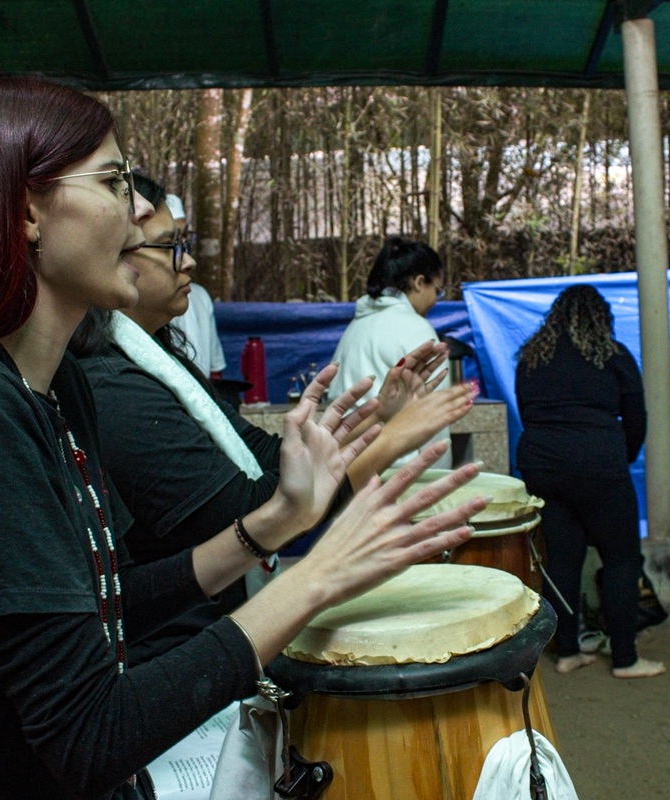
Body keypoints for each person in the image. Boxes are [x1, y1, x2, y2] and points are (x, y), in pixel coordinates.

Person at [0, 75, 485, 799]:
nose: (137, 210)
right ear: (25, 211)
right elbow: (90, 734)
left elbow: (101, 598)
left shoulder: (57, 385)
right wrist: (316, 580)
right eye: (113, 181)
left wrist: (273, 523)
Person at [71, 172, 475, 656]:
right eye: (170, 246)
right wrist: (390, 439)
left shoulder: (161, 358)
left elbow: (261, 456)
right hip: (176, 648)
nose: (190, 261)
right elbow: (247, 513)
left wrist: (379, 416)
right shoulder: (110, 385)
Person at [515, 284, 664, 679]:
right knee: (620, 559)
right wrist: (621, 456)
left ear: (556, 316)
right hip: (600, 468)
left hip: (542, 467)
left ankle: (568, 652)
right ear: (602, 318)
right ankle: (626, 658)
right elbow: (637, 418)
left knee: (562, 559)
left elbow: (527, 411)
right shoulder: (612, 355)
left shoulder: (532, 357)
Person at [329, 236, 453, 468]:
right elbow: (434, 416)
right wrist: (440, 480)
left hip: (348, 467)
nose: (436, 300)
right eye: (438, 290)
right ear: (418, 283)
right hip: (399, 471)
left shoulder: (355, 328)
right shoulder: (417, 329)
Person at [162, 193, 226, 379]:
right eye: (169, 243)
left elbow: (214, 372)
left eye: (184, 238)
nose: (187, 260)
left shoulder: (199, 297)